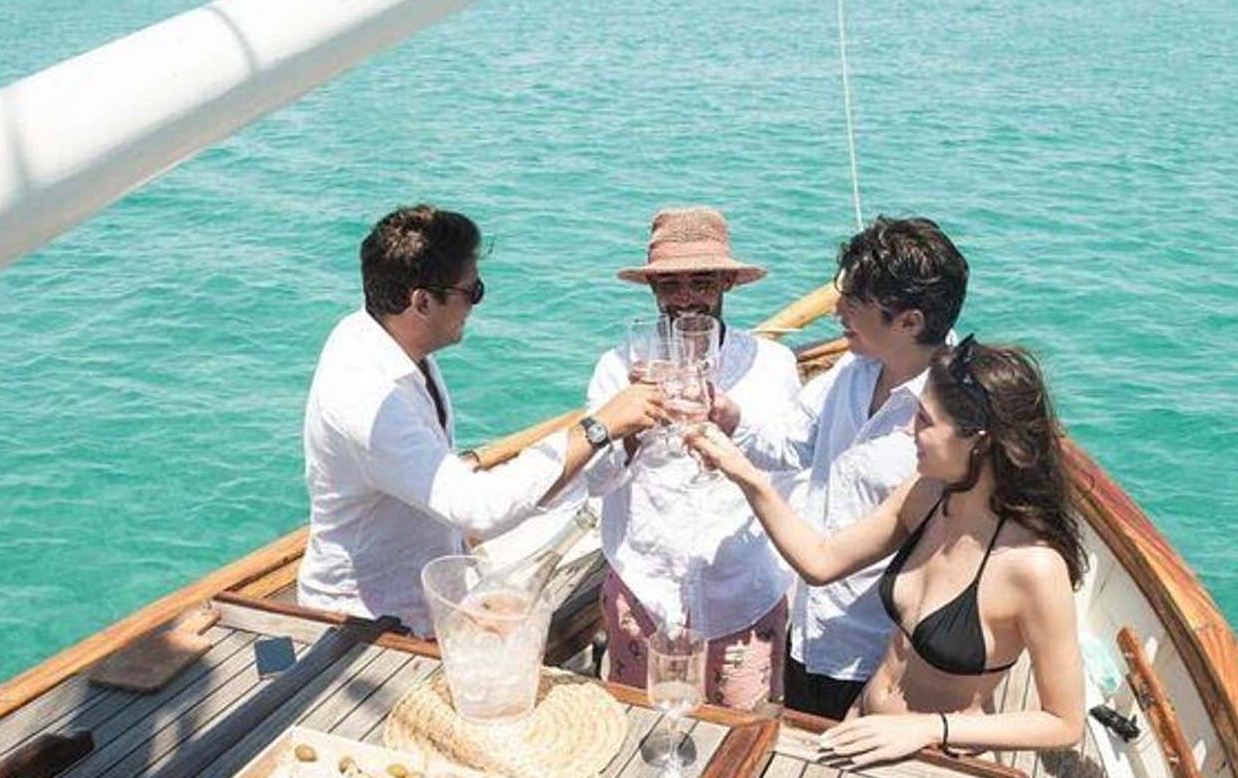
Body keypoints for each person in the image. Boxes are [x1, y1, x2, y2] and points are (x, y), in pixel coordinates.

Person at [689, 337, 1086, 764]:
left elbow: (1064, 723)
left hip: (936, 760)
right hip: (858, 724)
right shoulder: (928, 494)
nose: (908, 429)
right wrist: (745, 475)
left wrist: (929, 728)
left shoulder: (1034, 567)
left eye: (925, 420)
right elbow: (820, 562)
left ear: (980, 442)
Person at [297, 204, 664, 636]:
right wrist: (599, 426)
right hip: (363, 624)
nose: (475, 304)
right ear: (422, 302)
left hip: (418, 601)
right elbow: (478, 510)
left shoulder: (384, 341)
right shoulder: (365, 396)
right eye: (472, 291)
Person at [708, 216, 969, 719]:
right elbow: (791, 444)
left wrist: (740, 472)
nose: (836, 312)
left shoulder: (954, 420)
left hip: (886, 660)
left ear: (909, 322)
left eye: (853, 303)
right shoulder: (852, 370)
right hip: (811, 632)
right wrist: (730, 418)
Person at [583, 207, 802, 710]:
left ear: (726, 283)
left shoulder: (772, 365)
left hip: (742, 596)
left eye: (700, 282)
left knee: (743, 735)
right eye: (670, 284)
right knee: (637, 723)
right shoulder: (618, 368)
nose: (685, 298)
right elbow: (592, 480)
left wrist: (734, 423)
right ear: (652, 289)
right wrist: (631, 429)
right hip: (644, 590)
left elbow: (793, 468)